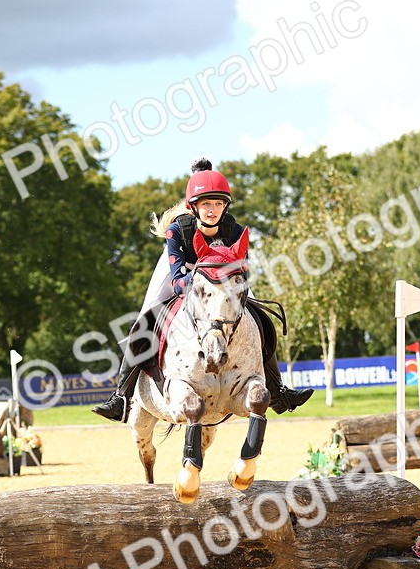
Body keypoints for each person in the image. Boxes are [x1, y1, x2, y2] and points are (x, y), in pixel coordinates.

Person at [92, 158, 313, 423]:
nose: (212, 210)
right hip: (182, 276)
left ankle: (278, 390)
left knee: (260, 320)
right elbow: (176, 279)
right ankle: (121, 397)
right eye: (206, 204)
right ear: (194, 207)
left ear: (226, 206)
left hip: (224, 284)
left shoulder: (235, 230)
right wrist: (199, 285)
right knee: (144, 323)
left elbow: (241, 270)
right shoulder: (177, 231)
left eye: (218, 204)